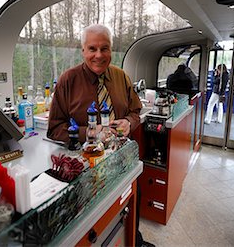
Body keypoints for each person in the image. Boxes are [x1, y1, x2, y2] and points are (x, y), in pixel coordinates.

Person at [47, 24, 155, 247]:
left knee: (132, 200)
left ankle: (134, 239)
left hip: (122, 159)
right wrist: (89, 132)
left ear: (111, 50)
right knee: (97, 222)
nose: (98, 55)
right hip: (87, 166)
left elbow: (135, 111)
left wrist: (129, 122)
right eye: (92, 49)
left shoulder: (121, 77)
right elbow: (55, 127)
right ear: (83, 51)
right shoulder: (68, 80)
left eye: (104, 48)